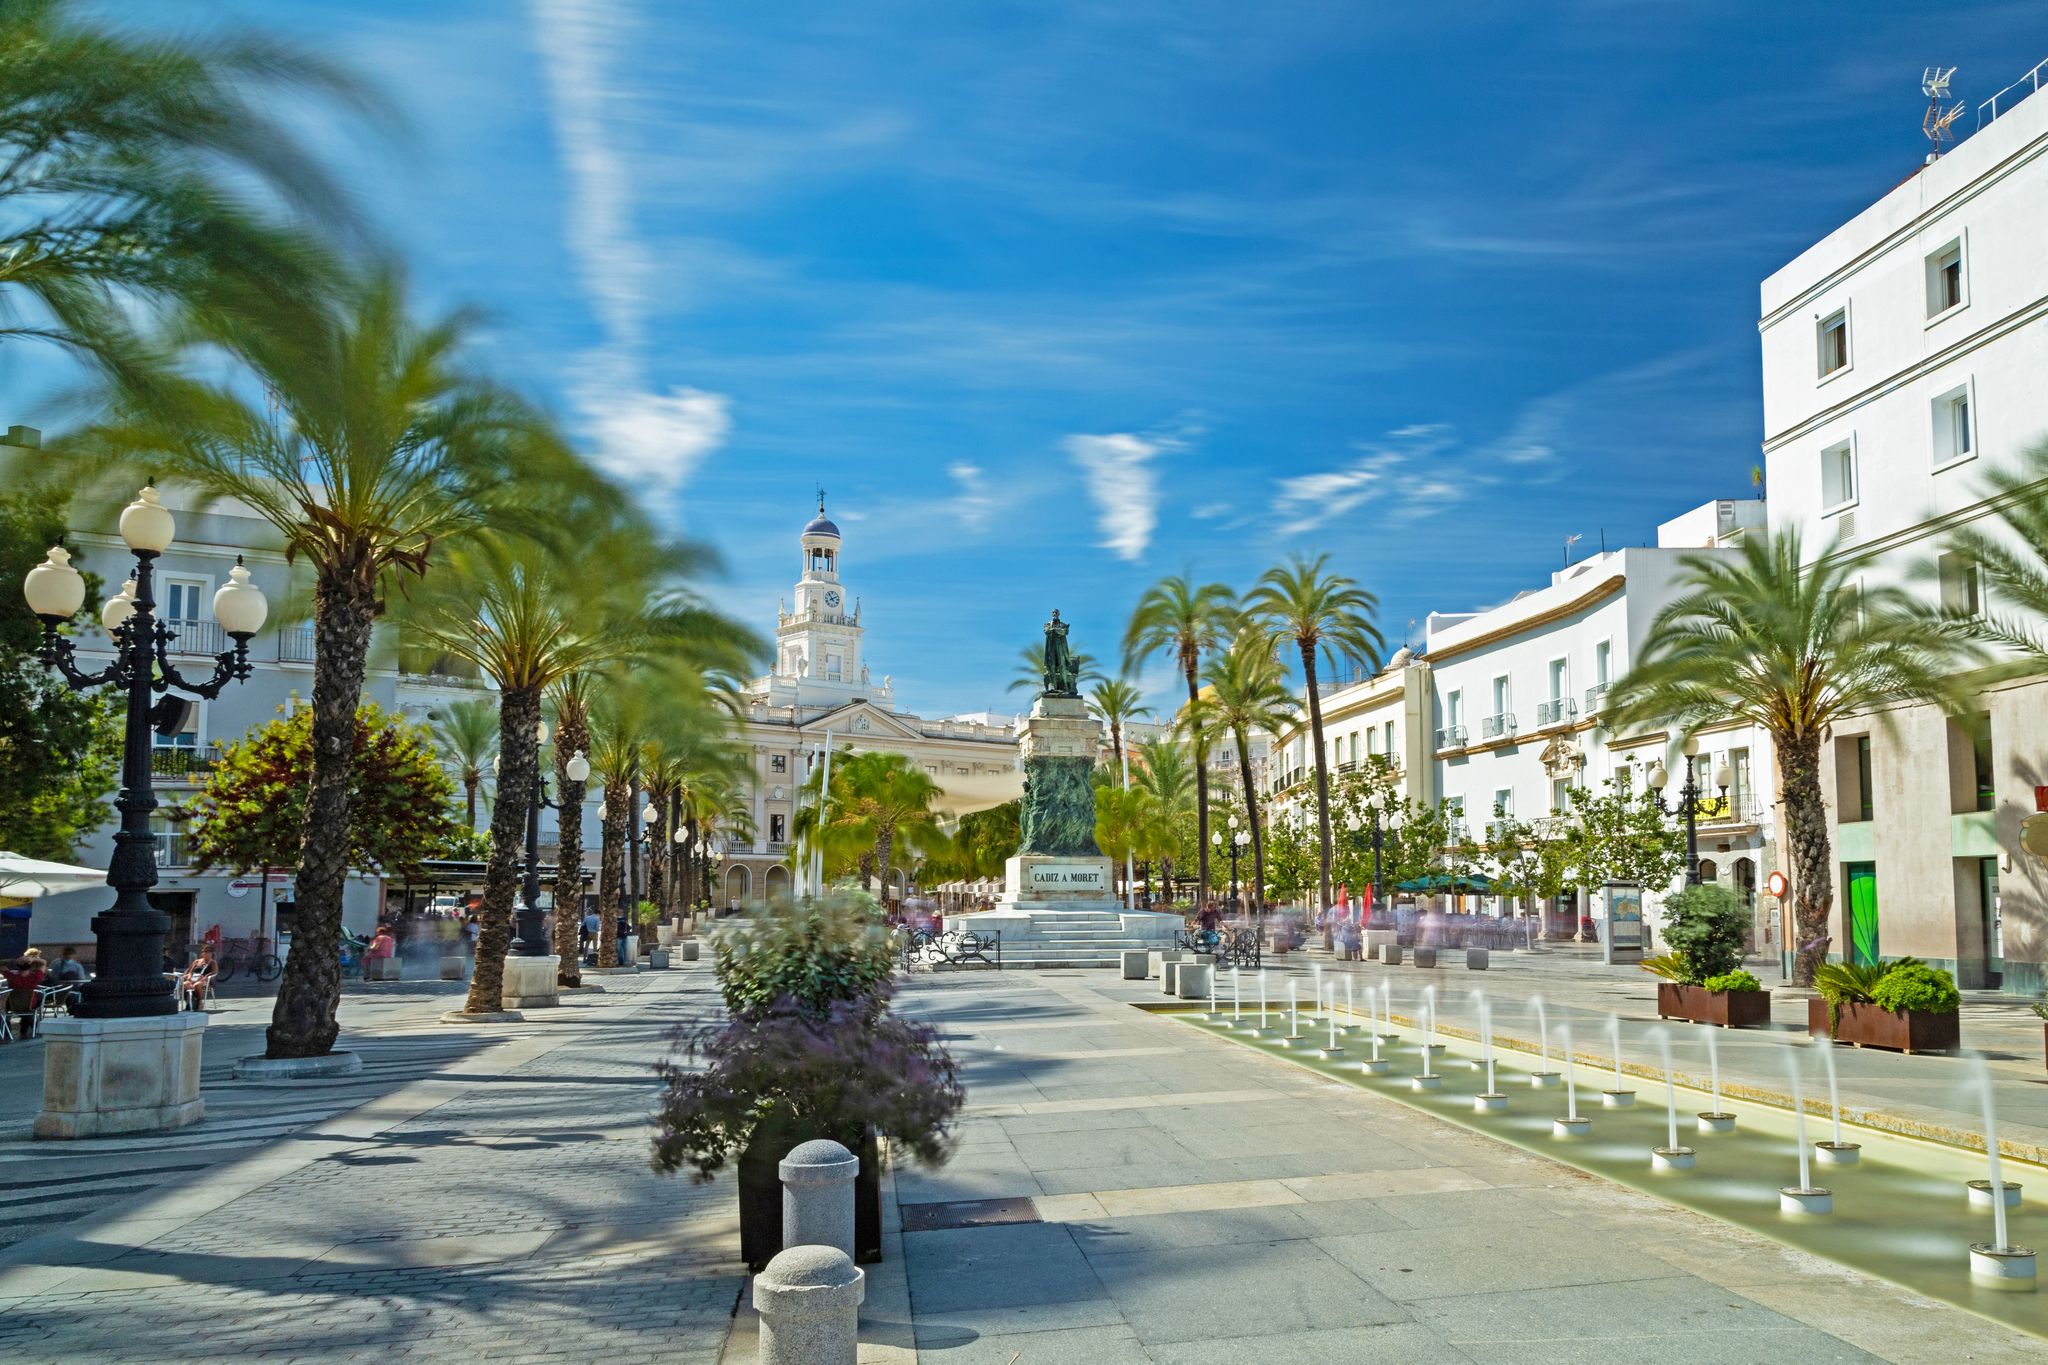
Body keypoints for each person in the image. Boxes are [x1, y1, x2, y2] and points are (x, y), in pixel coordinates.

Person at [4, 950, 49, 1039]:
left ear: (18, 967)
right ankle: (30, 1025)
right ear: (30, 966)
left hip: (14, 1006)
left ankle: (7, 1031)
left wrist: (14, 960)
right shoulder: (35, 977)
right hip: (31, 1006)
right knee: (39, 997)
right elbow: (44, 963)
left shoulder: (12, 977)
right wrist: (32, 959)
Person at [179, 944, 217, 1013]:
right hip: (193, 978)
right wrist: (189, 976)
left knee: (197, 985)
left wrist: (204, 977)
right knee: (185, 984)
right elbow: (190, 970)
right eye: (204, 951)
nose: (206, 953)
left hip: (204, 980)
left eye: (208, 952)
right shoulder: (197, 961)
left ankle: (199, 1002)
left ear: (211, 953)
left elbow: (214, 972)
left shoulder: (212, 962)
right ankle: (188, 1003)